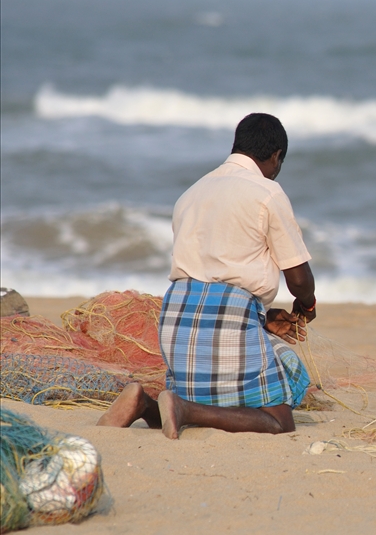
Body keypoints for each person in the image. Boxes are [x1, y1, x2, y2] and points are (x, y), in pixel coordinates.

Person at [98, 113, 317, 439]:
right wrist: (306, 305)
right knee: (278, 418)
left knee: (204, 393)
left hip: (176, 320)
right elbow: (297, 278)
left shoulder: (191, 194)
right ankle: (187, 410)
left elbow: (209, 277)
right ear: (275, 157)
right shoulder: (268, 193)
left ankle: (145, 405)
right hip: (229, 321)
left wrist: (261, 317)